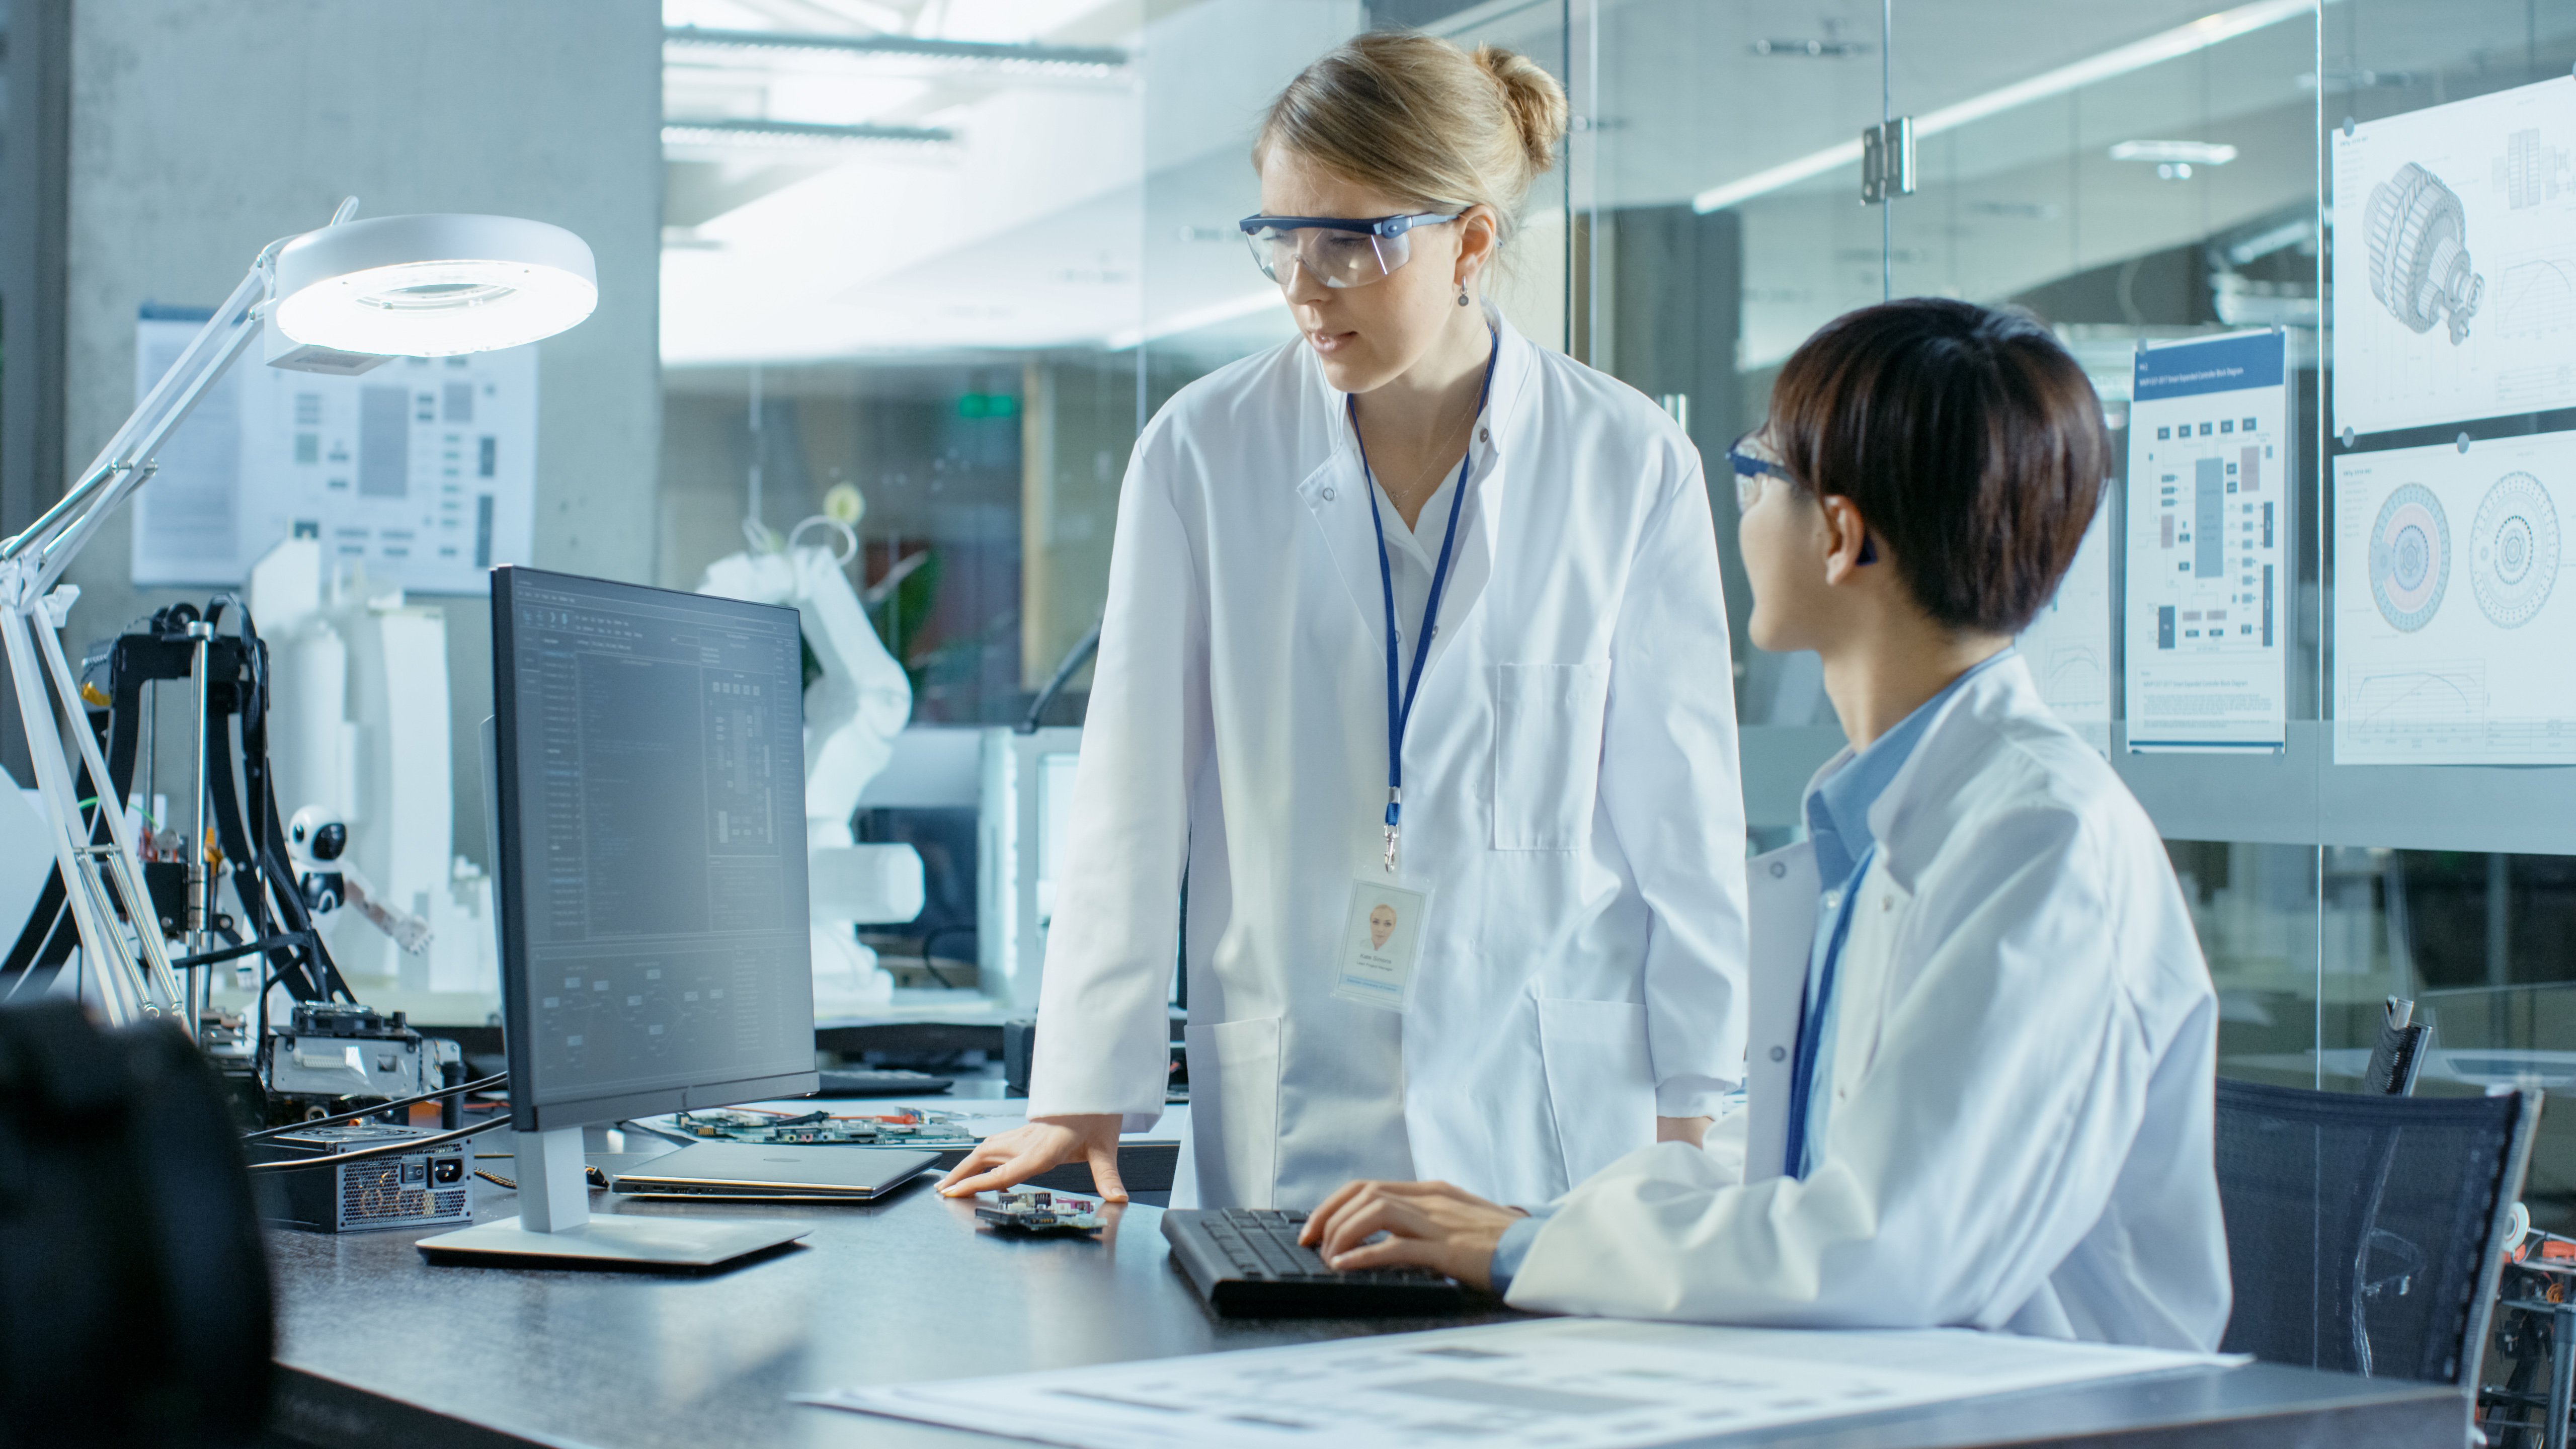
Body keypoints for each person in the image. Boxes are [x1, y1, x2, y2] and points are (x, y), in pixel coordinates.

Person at [1301, 298, 2231, 1350]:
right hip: (1885, 1391)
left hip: (2034, 1412)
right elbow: (1784, 1162)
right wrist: (1532, 1227)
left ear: (1838, 535)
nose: (1737, 512)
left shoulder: (2046, 844)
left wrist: (1521, 1251)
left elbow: (1883, 1247)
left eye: (1755, 476)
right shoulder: (1892, 824)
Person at [938, 31, 1748, 1210]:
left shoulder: (1626, 462)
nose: (1304, 289)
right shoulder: (1201, 452)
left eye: (1351, 242)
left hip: (1552, 1127)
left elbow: (1683, 822)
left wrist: (1693, 1120)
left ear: (1470, 241)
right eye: (1280, 240)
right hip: (1295, 1112)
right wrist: (1078, 1096)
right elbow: (1130, 798)